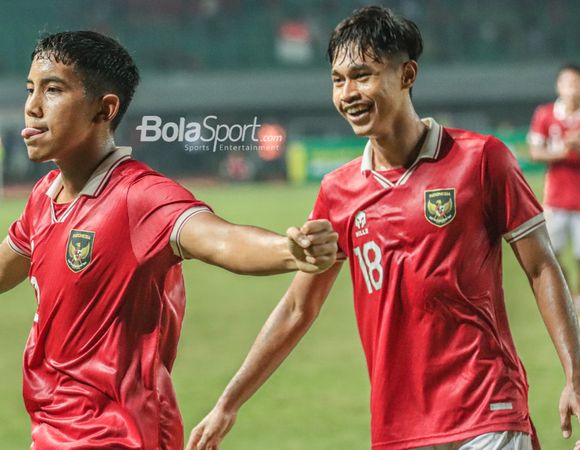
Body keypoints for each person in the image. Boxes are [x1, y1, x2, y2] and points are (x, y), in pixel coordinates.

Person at [0, 31, 339, 450]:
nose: (32, 107)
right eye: (29, 89)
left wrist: (289, 251)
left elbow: (220, 239)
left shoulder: (137, 196)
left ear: (103, 109)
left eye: (52, 91)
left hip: (121, 432)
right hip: (52, 429)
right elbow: (3, 264)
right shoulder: (44, 196)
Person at [187, 7, 580, 450]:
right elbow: (299, 307)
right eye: (338, 80)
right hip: (398, 428)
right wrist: (228, 403)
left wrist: (575, 374)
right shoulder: (338, 191)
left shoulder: (481, 160)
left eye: (362, 75)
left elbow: (541, 267)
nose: (348, 93)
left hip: (487, 410)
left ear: (407, 74)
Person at [528, 64, 580, 304]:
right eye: (568, 83)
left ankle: (578, 297)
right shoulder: (545, 114)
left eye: (576, 83)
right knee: (553, 255)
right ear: (559, 86)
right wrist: (564, 150)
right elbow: (535, 152)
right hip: (556, 201)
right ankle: (568, 295)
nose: (572, 89)